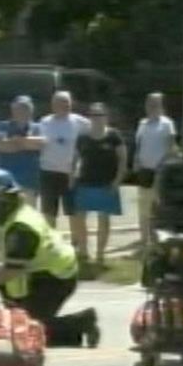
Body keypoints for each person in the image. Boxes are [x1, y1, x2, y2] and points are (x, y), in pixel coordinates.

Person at [0, 170, 100, 347]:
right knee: (19, 328)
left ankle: (82, 321)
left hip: (56, 276)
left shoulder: (21, 227)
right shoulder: (10, 216)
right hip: (37, 273)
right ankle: (69, 334)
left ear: (4, 199)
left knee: (25, 332)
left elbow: (12, 269)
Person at [72, 103, 127, 265]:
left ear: (106, 117)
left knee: (104, 220)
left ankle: (100, 254)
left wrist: (118, 181)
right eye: (93, 115)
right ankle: (83, 252)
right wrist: (71, 176)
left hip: (107, 184)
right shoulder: (82, 137)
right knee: (79, 218)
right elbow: (75, 159)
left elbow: (123, 160)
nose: (96, 119)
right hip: (85, 182)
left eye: (100, 115)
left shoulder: (114, 136)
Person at [38, 91, 90, 230]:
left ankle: (75, 244)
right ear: (53, 105)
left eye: (66, 102)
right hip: (48, 172)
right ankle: (51, 244)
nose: (64, 105)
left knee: (73, 212)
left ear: (71, 103)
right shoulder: (44, 122)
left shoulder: (81, 122)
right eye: (60, 102)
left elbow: (95, 137)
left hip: (70, 174)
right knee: (49, 213)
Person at [134, 92, 177, 246]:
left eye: (156, 104)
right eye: (150, 104)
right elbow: (139, 145)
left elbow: (171, 147)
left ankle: (159, 238)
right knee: (143, 205)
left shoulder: (167, 124)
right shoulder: (142, 124)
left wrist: (163, 165)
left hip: (161, 171)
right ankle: (143, 238)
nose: (152, 107)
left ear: (161, 106)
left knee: (159, 205)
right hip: (144, 171)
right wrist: (136, 161)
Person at [0, 95, 45, 205]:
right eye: (19, 108)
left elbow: (40, 144)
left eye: (26, 108)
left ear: (31, 111)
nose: (22, 111)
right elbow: (1, 146)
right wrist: (26, 143)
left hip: (30, 182)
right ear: (13, 110)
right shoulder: (2, 126)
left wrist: (16, 141)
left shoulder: (38, 127)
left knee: (28, 218)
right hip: (6, 183)